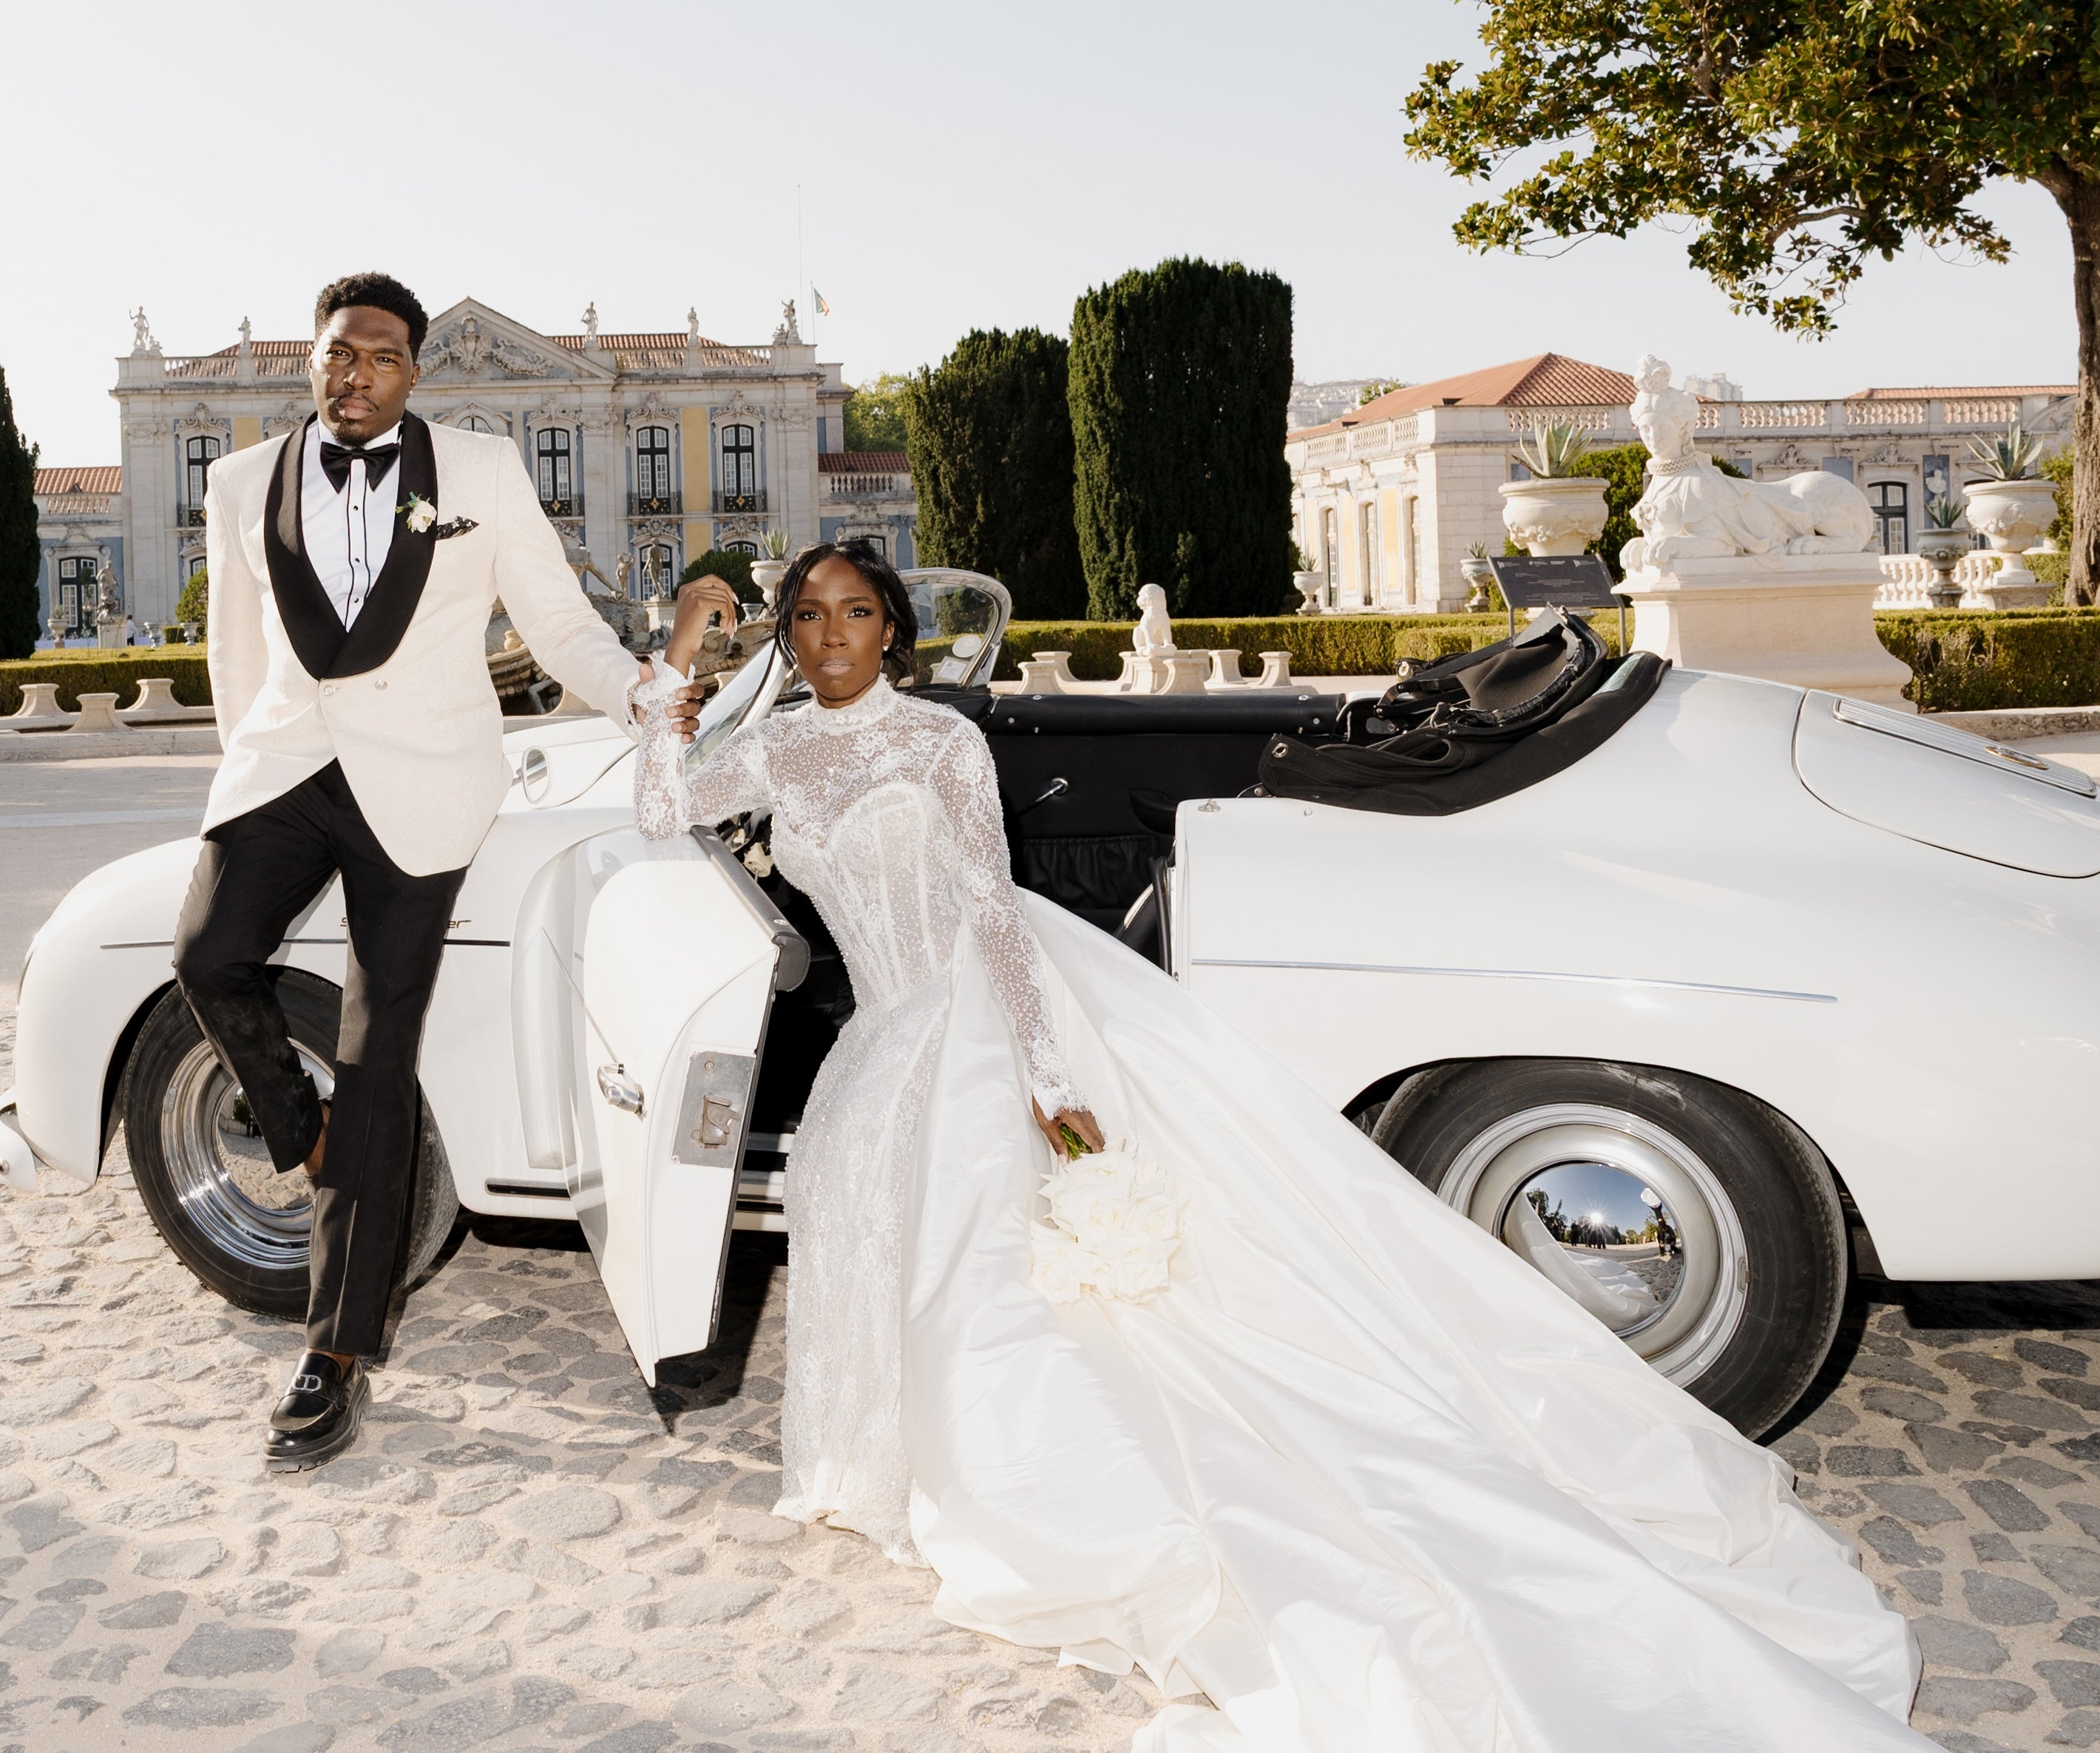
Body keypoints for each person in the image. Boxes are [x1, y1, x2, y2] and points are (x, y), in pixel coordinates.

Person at [632, 541, 1928, 1751]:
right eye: (807, 617)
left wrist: (1043, 1077)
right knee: (878, 1238)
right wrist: (679, 662)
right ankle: (891, 1465)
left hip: (972, 1021)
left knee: (1007, 1283)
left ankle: (1044, 1489)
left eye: (857, 613)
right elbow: (656, 813)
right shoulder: (779, 751)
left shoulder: (937, 741)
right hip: (878, 1047)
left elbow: (991, 911)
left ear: (898, 633)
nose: (831, 635)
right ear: (788, 640)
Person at [177, 272, 702, 1474]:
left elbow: (558, 623)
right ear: (310, 361)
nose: (353, 373)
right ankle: (298, 1130)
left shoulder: (478, 472)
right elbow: (235, 655)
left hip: (423, 789)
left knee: (378, 1053)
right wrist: (241, 774)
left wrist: (640, 692)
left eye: (379, 357)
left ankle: (339, 1352)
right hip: (287, 769)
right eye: (336, 353)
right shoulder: (240, 481)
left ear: (415, 370)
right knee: (206, 954)